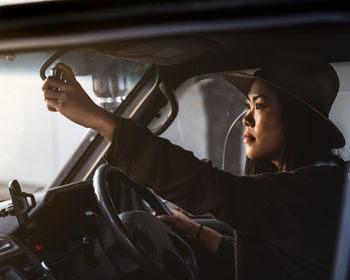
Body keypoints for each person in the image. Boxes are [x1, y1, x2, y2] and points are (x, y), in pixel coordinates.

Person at [42, 52, 346, 280]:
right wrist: (197, 232)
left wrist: (97, 118)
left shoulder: (309, 193)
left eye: (261, 106)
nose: (247, 118)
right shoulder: (315, 182)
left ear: (297, 120)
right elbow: (268, 260)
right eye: (248, 106)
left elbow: (203, 185)